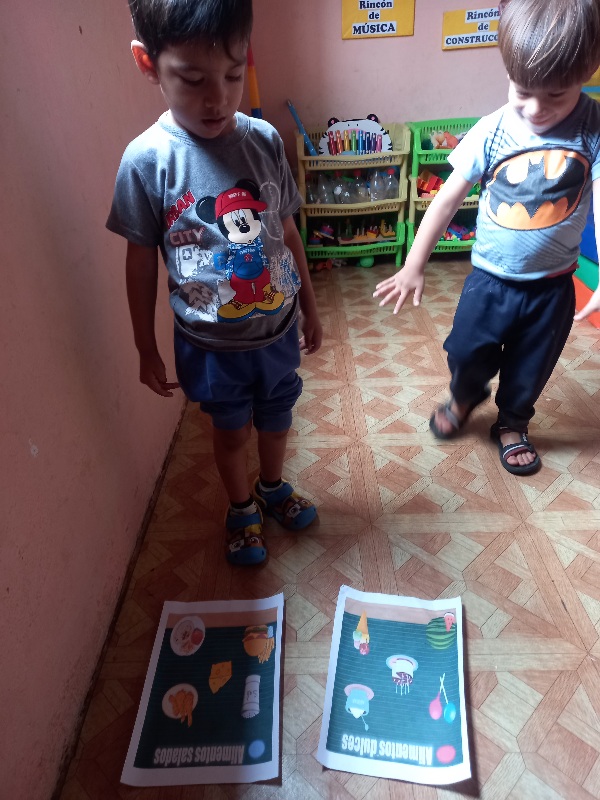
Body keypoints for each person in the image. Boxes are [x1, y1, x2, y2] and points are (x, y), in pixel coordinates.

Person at [107, 0, 322, 565]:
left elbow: (287, 231)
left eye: (232, 75)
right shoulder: (145, 161)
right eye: (194, 79)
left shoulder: (265, 140)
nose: (219, 98)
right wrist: (144, 346)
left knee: (277, 421)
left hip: (276, 332)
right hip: (210, 347)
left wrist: (310, 305)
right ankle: (241, 507)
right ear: (149, 64)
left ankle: (272, 487)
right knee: (230, 434)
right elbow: (140, 262)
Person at [374, 0, 600, 476]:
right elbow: (445, 201)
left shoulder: (592, 128)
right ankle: (464, 394)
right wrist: (414, 264)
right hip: (490, 281)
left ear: (588, 71)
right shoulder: (492, 131)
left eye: (556, 95)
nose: (536, 109)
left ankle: (513, 423)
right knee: (465, 350)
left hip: (552, 287)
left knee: (531, 365)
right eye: (523, 91)